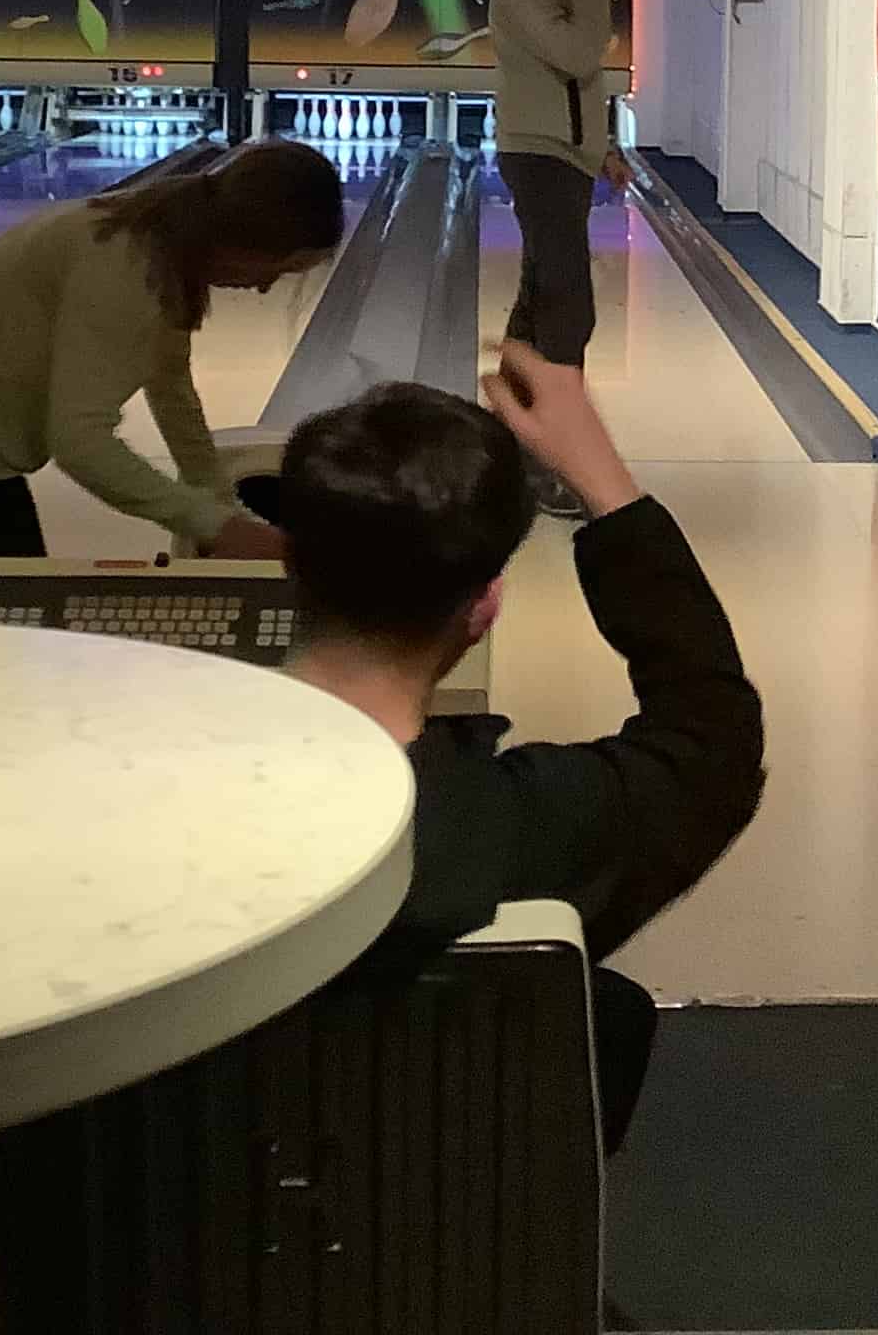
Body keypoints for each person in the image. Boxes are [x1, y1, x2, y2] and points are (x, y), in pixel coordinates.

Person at [265, 345, 763, 1146]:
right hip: (432, 1221)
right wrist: (607, 487)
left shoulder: (139, 794)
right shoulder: (523, 828)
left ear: (289, 562)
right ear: (486, 605)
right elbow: (712, 736)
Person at [0, 139, 344, 559]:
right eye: (279, 268)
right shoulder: (129, 275)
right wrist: (214, 523)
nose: (264, 287)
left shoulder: (165, 235)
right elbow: (80, 443)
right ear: (247, 243)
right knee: (4, 625)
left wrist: (219, 504)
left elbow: (171, 386)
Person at [489, 0, 632, 512]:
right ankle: (556, 454)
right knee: (569, 304)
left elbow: (584, 80)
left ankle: (511, 447)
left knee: (539, 302)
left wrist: (605, 148)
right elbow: (577, 55)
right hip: (536, 154)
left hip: (568, 156)